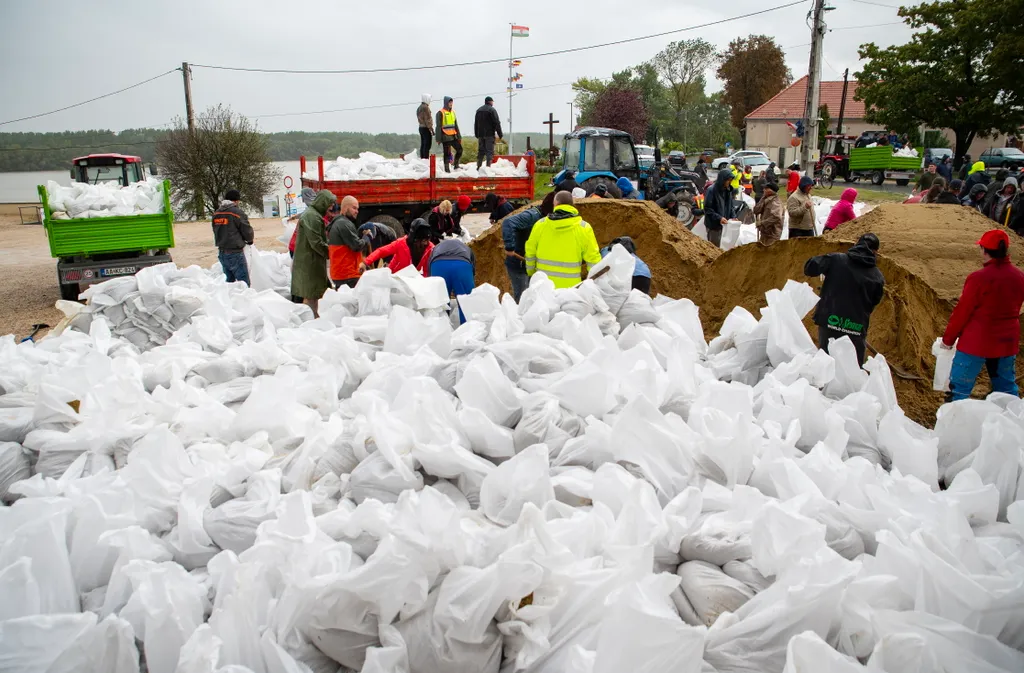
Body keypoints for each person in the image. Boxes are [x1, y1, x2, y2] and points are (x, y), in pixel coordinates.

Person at [939, 229, 1024, 401]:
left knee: (959, 389)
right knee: (1006, 388)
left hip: (976, 341)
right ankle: (1012, 422)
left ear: (985, 250)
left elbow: (962, 312)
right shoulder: (1019, 277)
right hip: (1006, 342)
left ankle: (955, 422)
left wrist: (948, 340)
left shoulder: (978, 278)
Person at [804, 233, 885, 365]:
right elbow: (873, 302)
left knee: (825, 366)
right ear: (875, 252)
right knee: (852, 369)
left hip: (829, 321)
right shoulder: (877, 276)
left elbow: (810, 268)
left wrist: (827, 266)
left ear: (856, 245)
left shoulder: (837, 260)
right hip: (855, 327)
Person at [525, 191, 601, 289]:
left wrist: (531, 272)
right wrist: (594, 282)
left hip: (543, 287)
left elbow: (530, 252)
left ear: (555, 204)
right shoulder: (584, 228)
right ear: (572, 204)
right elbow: (593, 259)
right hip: (570, 289)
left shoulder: (540, 225)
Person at [291, 190, 337, 317]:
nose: (332, 207)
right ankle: (310, 321)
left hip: (310, 261)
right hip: (309, 263)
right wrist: (333, 253)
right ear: (323, 202)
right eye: (330, 204)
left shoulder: (313, 214)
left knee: (314, 293)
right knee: (311, 294)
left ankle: (313, 318)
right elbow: (316, 243)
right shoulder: (313, 217)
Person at [327, 196, 372, 289]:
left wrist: (359, 235)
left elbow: (349, 242)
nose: (357, 211)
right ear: (345, 208)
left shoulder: (338, 222)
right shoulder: (344, 224)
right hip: (348, 274)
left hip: (340, 273)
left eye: (357, 209)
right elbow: (356, 246)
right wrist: (366, 238)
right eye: (354, 208)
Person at [212, 188, 254, 286]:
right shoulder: (236, 213)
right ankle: (245, 300)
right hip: (235, 253)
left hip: (222, 252)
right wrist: (250, 240)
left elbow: (215, 230)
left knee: (229, 282)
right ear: (236, 200)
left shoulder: (216, 213)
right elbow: (246, 230)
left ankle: (229, 300)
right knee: (243, 283)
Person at [362, 218, 434, 275]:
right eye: (424, 241)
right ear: (415, 240)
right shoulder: (400, 244)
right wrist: (365, 262)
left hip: (411, 278)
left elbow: (426, 270)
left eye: (428, 240)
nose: (426, 243)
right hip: (394, 276)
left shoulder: (429, 248)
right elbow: (381, 251)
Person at [429, 237, 476, 323]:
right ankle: (468, 331)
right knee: (466, 302)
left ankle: (441, 329)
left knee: (440, 303)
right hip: (462, 266)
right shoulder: (466, 248)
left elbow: (429, 267)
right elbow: (473, 269)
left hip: (438, 265)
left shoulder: (436, 248)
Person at [503, 205, 544, 301]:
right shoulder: (532, 216)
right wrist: (510, 247)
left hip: (532, 264)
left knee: (533, 295)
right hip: (519, 264)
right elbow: (508, 223)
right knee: (522, 297)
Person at [702, 169, 735, 248]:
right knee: (714, 248)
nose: (729, 182)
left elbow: (731, 206)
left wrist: (733, 216)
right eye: (728, 180)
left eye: (730, 180)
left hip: (724, 225)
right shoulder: (711, 190)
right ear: (722, 179)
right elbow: (707, 209)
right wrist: (719, 218)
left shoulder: (728, 190)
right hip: (714, 225)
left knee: (723, 247)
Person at [473, 96, 504, 169]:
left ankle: (478, 167)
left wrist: (476, 134)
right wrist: (500, 134)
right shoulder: (492, 110)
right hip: (489, 135)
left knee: (481, 151)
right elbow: (497, 122)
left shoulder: (478, 110)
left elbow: (476, 123)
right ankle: (488, 168)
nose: (493, 103)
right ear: (490, 102)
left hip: (480, 135)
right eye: (492, 101)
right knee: (489, 152)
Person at [288, 188, 318, 258]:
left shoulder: (312, 209)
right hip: (298, 248)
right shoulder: (313, 209)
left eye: (302, 197)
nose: (302, 200)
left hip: (296, 247)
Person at [435, 96, 462, 173]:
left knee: (460, 150)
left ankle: (456, 165)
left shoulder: (453, 112)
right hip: (445, 136)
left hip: (453, 136)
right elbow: (438, 126)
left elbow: (456, 125)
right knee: (446, 153)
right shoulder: (440, 113)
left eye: (451, 102)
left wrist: (459, 137)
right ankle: (447, 170)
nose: (451, 104)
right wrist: (438, 139)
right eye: (449, 102)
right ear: (446, 103)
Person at [753, 180, 784, 247]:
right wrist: (762, 199)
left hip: (772, 234)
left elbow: (776, 217)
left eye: (766, 188)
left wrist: (762, 223)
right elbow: (756, 210)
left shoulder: (776, 202)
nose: (764, 190)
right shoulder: (765, 199)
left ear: (771, 191)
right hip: (765, 233)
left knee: (770, 254)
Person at [417, 94, 433, 160]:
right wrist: (431, 128)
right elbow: (428, 119)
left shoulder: (419, 107)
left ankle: (422, 158)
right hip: (426, 127)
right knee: (427, 144)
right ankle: (425, 159)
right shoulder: (425, 107)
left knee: (423, 144)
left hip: (421, 127)